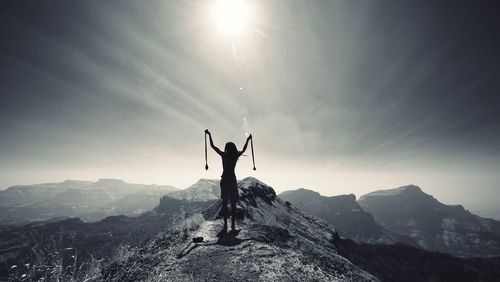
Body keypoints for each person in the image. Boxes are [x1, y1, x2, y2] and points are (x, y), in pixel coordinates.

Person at [205, 129, 252, 232]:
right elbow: (244, 149)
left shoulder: (223, 155)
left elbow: (213, 147)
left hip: (224, 180)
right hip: (232, 179)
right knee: (234, 203)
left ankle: (225, 224)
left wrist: (209, 135)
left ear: (226, 148)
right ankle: (233, 225)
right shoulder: (235, 156)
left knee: (225, 202)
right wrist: (248, 140)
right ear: (234, 148)